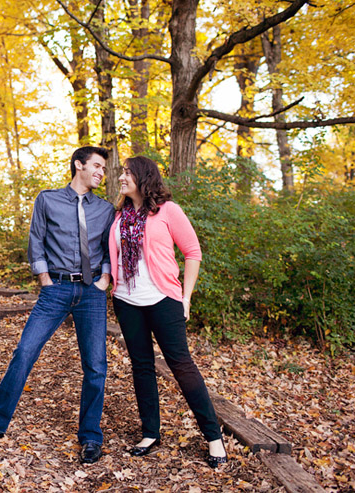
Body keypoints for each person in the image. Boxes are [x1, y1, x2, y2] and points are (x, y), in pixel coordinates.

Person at [0, 146, 116, 464]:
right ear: (78, 165)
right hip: (55, 289)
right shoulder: (47, 199)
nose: (101, 172)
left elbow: (109, 247)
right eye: (96, 166)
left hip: (92, 293)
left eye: (104, 169)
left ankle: (91, 437)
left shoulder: (106, 209)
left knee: (96, 366)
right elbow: (36, 239)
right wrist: (44, 278)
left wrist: (105, 278)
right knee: (24, 352)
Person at [108, 156, 228, 468]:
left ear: (142, 177)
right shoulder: (120, 215)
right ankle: (150, 432)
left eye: (126, 172)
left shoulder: (168, 211)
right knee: (141, 366)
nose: (121, 177)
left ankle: (213, 437)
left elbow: (193, 252)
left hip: (163, 299)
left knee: (182, 366)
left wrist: (185, 298)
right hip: (126, 300)